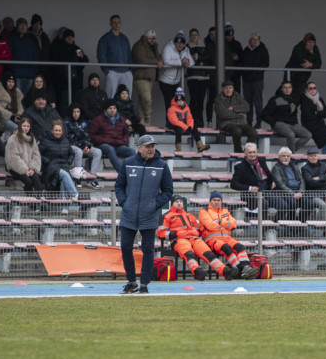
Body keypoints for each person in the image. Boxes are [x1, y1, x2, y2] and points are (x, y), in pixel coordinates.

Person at [116, 134, 173, 294]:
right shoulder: (128, 163)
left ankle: (144, 284)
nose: (151, 149)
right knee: (125, 247)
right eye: (147, 146)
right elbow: (119, 186)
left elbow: (168, 190)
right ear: (139, 148)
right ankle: (131, 281)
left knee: (147, 250)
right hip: (129, 214)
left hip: (149, 215)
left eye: (152, 146)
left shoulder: (162, 165)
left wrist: (154, 205)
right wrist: (124, 202)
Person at [157, 195, 235, 280]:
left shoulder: (190, 215)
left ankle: (225, 271)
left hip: (195, 239)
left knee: (208, 254)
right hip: (179, 240)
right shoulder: (166, 216)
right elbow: (161, 234)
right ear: (172, 204)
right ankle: (197, 271)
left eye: (180, 202)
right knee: (189, 254)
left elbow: (198, 230)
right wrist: (177, 234)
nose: (179, 203)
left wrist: (195, 233)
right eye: (176, 202)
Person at [198, 190, 259, 279]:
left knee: (240, 247)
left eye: (218, 200)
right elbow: (210, 226)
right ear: (210, 201)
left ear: (221, 202)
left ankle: (246, 267)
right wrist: (226, 224)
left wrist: (219, 222)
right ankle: (242, 270)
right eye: (214, 200)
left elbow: (234, 224)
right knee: (226, 248)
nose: (216, 202)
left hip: (227, 238)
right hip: (213, 240)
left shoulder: (225, 211)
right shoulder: (204, 211)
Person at [260, 80, 312, 152]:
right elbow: (264, 115)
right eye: (285, 87)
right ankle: (292, 156)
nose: (287, 89)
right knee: (291, 134)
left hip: (292, 124)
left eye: (289, 87)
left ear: (292, 89)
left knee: (308, 135)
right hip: (279, 123)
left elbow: (295, 113)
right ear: (281, 89)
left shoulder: (294, 99)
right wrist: (274, 123)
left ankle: (290, 152)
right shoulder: (276, 99)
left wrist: (295, 122)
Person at [49, 28, 89, 116]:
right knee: (64, 104)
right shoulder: (59, 49)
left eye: (72, 37)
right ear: (64, 38)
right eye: (68, 37)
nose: (70, 39)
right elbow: (55, 65)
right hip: (64, 83)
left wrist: (82, 57)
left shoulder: (77, 49)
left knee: (76, 104)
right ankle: (64, 122)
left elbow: (84, 62)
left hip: (76, 83)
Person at [89, 99, 134, 174]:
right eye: (110, 108)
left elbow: (126, 133)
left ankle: (131, 173)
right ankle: (121, 173)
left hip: (118, 145)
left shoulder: (122, 119)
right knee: (109, 149)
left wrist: (124, 141)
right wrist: (103, 140)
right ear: (105, 109)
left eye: (114, 108)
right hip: (103, 146)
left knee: (132, 152)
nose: (112, 110)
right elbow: (91, 135)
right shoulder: (98, 120)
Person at [231, 142, 279, 212]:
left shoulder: (261, 162)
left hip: (266, 191)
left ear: (257, 152)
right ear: (245, 153)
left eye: (254, 152)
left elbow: (269, 176)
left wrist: (272, 182)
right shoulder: (240, 167)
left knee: (283, 205)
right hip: (251, 195)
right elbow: (233, 184)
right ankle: (263, 222)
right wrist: (250, 188)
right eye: (250, 152)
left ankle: (277, 222)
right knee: (263, 203)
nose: (252, 154)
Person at [65, 102, 103, 188]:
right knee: (78, 151)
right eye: (74, 112)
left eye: (78, 112)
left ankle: (91, 178)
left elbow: (86, 136)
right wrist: (82, 146)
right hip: (71, 146)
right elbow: (68, 138)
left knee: (98, 151)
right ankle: (77, 178)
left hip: (82, 146)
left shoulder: (84, 122)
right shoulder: (66, 122)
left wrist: (87, 146)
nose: (76, 114)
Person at [39, 120, 79, 197]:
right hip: (51, 168)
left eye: (59, 130)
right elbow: (38, 154)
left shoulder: (66, 141)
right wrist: (47, 161)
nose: (58, 132)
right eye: (56, 130)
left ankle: (64, 207)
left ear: (62, 131)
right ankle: (75, 194)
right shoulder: (45, 141)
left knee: (64, 179)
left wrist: (68, 162)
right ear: (52, 131)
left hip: (64, 166)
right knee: (65, 174)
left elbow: (72, 153)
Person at [215, 80, 257, 153]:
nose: (228, 90)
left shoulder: (238, 96)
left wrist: (234, 108)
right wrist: (239, 113)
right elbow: (223, 114)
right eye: (226, 88)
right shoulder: (218, 100)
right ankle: (238, 152)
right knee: (237, 131)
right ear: (222, 89)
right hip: (226, 123)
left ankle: (247, 151)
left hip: (241, 122)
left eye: (230, 88)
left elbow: (247, 107)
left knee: (253, 132)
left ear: (233, 88)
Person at [268, 146, 309, 221]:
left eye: (288, 156)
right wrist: (293, 193)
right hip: (284, 193)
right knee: (293, 203)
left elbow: (302, 180)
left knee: (309, 203)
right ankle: (291, 224)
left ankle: (301, 223)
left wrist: (300, 192)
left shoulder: (294, 166)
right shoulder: (276, 168)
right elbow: (280, 184)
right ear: (279, 157)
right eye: (283, 156)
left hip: (297, 193)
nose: (286, 158)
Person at [299, 81, 326, 156]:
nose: (313, 90)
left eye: (314, 88)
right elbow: (308, 115)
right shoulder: (304, 98)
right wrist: (319, 113)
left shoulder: (318, 98)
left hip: (319, 124)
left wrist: (316, 113)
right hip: (309, 125)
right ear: (306, 90)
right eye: (310, 88)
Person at [158, 31, 192, 116]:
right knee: (169, 103)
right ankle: (169, 124)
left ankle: (173, 123)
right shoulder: (168, 48)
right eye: (177, 43)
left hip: (176, 81)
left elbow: (191, 61)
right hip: (165, 80)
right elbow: (166, 61)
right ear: (174, 43)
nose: (179, 45)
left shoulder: (186, 50)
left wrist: (188, 63)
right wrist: (181, 62)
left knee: (177, 103)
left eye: (181, 43)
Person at [131, 29, 161, 126]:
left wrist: (159, 60)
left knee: (142, 100)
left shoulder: (154, 47)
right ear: (145, 37)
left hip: (149, 77)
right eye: (150, 38)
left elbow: (159, 57)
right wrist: (156, 61)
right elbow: (141, 59)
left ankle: (142, 121)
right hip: (140, 76)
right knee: (147, 99)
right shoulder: (139, 46)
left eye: (154, 38)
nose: (152, 40)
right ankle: (148, 115)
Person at [301, 147, 326, 219]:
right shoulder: (305, 168)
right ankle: (324, 227)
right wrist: (325, 180)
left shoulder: (324, 165)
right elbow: (310, 182)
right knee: (322, 205)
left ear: (318, 156)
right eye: (311, 156)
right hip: (313, 195)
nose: (313, 157)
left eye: (315, 156)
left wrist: (319, 178)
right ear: (308, 158)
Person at [5, 117, 43, 191]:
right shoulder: (13, 139)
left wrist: (32, 168)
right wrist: (25, 170)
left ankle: (39, 199)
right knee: (28, 181)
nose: (26, 128)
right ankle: (28, 200)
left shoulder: (32, 139)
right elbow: (13, 157)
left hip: (29, 167)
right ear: (20, 126)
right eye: (24, 126)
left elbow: (36, 155)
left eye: (28, 126)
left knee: (37, 179)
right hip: (15, 167)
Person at [167, 87, 208, 153]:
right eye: (178, 101)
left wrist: (190, 127)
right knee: (178, 129)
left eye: (182, 101)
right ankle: (178, 148)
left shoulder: (186, 107)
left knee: (194, 127)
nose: (180, 102)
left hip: (183, 124)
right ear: (176, 101)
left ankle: (200, 145)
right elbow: (174, 121)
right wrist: (186, 127)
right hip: (174, 125)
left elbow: (189, 118)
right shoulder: (171, 108)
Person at [241, 32, 269, 128]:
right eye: (254, 39)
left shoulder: (263, 50)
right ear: (250, 41)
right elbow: (242, 63)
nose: (255, 41)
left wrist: (255, 71)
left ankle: (259, 122)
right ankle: (249, 122)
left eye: (257, 39)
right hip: (247, 80)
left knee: (258, 102)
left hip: (257, 80)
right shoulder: (246, 50)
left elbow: (266, 64)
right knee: (248, 102)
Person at [8, 17, 40, 92]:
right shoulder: (11, 39)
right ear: (17, 27)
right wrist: (13, 70)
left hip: (29, 75)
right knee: (17, 98)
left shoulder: (30, 40)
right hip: (17, 75)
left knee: (25, 99)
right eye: (21, 25)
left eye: (25, 25)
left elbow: (35, 56)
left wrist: (33, 71)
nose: (23, 27)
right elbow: (8, 55)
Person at [186, 28, 210, 127]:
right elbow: (187, 59)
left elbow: (209, 58)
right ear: (189, 36)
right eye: (192, 35)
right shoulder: (187, 47)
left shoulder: (205, 46)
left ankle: (200, 122)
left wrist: (196, 57)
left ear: (198, 36)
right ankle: (192, 121)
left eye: (195, 35)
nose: (194, 37)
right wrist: (200, 60)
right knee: (193, 100)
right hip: (192, 76)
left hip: (204, 77)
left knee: (201, 101)